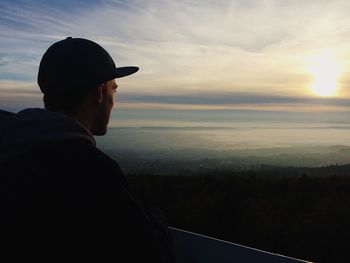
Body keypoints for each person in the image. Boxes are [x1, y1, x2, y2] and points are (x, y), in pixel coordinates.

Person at [0, 37, 171, 262]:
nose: (114, 100)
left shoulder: (13, 149)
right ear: (100, 92)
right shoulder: (91, 171)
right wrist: (154, 219)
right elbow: (148, 253)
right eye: (114, 89)